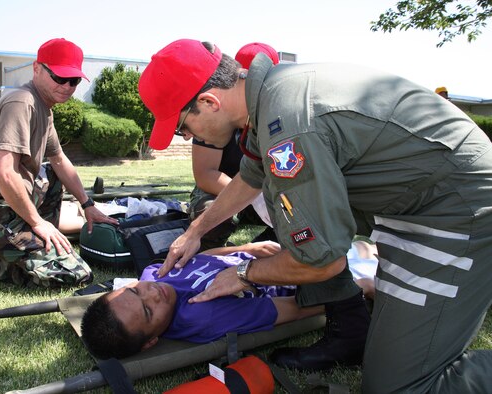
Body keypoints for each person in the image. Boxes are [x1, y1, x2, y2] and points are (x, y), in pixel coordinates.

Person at [137, 39, 492, 392]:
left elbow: (322, 262)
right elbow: (252, 175)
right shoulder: (273, 96)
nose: (187, 137)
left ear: (208, 102)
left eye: (183, 127)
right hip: (417, 205)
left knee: (399, 388)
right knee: (386, 356)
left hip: (454, 212)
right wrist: (196, 230)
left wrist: (244, 274)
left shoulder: (288, 123)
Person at [0, 38, 118, 288]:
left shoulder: (44, 107)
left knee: (52, 174)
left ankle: (9, 246)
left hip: (12, 204)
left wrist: (87, 204)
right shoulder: (21, 102)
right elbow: (4, 174)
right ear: (37, 68)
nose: (67, 86)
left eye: (74, 80)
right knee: (73, 275)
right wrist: (39, 223)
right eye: (60, 77)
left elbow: (59, 160)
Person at [81, 240, 377, 360]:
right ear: (150, 342)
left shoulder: (151, 275)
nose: (151, 293)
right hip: (310, 274)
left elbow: (199, 259)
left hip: (282, 255)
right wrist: (355, 291)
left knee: (363, 246)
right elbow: (290, 310)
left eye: (134, 290)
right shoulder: (202, 315)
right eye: (148, 310)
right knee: (380, 269)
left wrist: (248, 246)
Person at [187, 42, 279, 250]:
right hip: (223, 188)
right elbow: (205, 174)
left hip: (268, 192)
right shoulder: (210, 117)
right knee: (208, 211)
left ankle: (269, 246)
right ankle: (210, 251)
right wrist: (250, 195)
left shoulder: (277, 113)